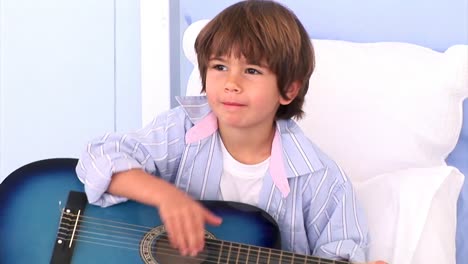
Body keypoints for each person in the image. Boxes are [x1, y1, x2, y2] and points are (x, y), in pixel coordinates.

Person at [76, 1, 384, 263]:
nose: (231, 83)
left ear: (289, 90)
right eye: (219, 67)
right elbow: (98, 157)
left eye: (251, 71)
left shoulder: (323, 181)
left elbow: (345, 248)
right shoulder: (181, 128)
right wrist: (166, 197)